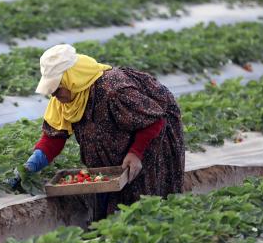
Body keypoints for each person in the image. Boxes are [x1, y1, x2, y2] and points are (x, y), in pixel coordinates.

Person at [23, 44, 185, 219]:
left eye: (56, 88)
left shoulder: (112, 90)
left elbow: (154, 120)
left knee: (143, 202)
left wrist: (136, 153)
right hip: (111, 161)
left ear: (72, 79)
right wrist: (31, 165)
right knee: (110, 203)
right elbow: (54, 138)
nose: (53, 94)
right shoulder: (66, 98)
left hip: (152, 140)